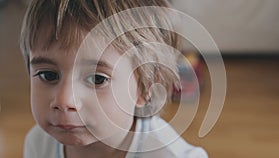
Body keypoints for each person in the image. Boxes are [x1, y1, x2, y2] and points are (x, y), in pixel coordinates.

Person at [20, 0, 208, 157]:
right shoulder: (38, 144)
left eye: (97, 79)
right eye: (48, 75)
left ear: (145, 87)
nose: (64, 100)